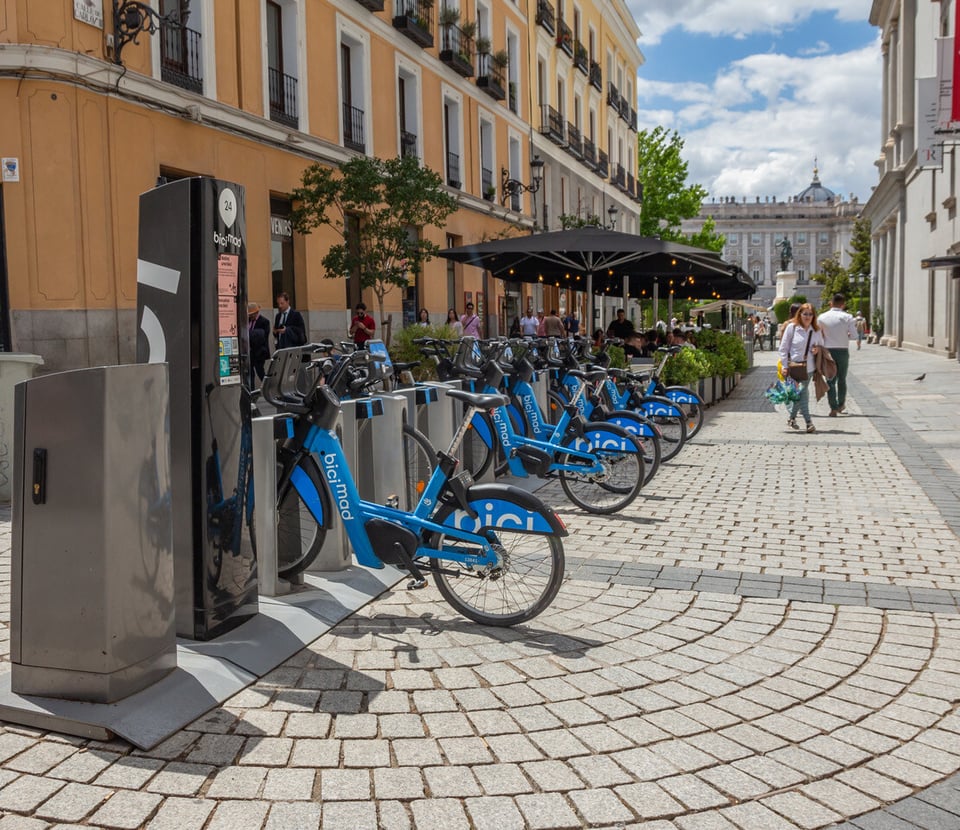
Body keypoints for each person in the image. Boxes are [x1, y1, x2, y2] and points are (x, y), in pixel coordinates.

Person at [778, 303, 824, 433]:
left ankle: (803, 421)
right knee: (800, 394)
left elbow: (821, 345)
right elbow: (783, 348)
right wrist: (784, 366)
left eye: (810, 314)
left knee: (801, 392)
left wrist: (817, 349)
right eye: (805, 314)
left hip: (808, 368)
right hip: (793, 367)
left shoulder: (816, 330)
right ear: (800, 314)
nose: (808, 317)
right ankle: (804, 421)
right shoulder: (792, 328)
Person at [817, 292, 858, 417]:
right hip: (842, 350)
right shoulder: (848, 317)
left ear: (831, 303)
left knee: (830, 379)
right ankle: (841, 405)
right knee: (842, 379)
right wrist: (845, 335)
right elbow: (855, 336)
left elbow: (818, 336)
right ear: (843, 305)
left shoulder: (822, 317)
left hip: (828, 350)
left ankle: (833, 407)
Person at [247, 301, 271, 386]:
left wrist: (251, 335)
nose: (250, 316)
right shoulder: (248, 321)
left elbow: (263, 336)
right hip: (250, 351)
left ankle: (268, 387)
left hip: (259, 351)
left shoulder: (264, 322)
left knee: (260, 371)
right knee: (250, 373)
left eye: (252, 314)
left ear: (256, 313)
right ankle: (251, 392)